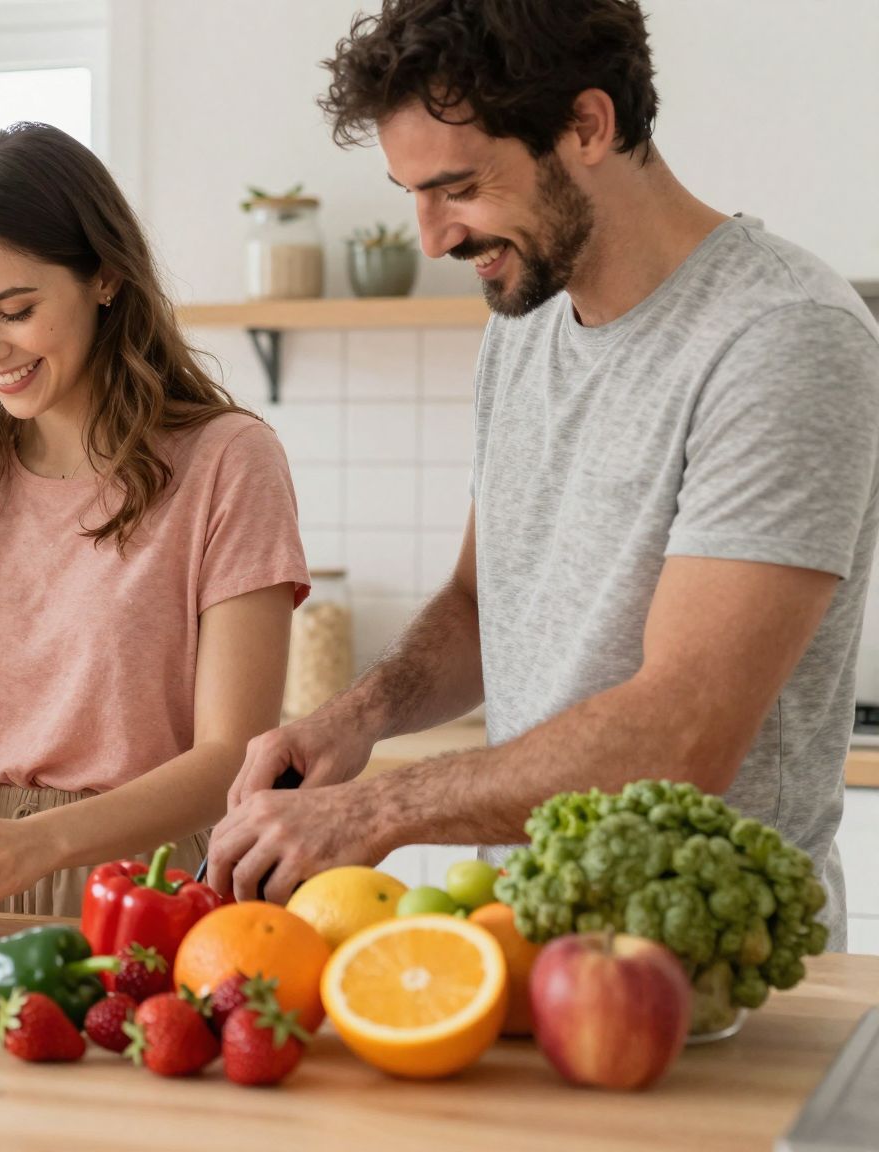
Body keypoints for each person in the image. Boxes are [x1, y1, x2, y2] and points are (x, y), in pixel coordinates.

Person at [207, 0, 879, 951]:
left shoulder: (781, 339)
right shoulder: (522, 331)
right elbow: (485, 605)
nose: (433, 235)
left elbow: (679, 735)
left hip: (721, 970)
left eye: (459, 187)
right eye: (413, 193)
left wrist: (371, 813)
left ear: (589, 125)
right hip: (546, 945)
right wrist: (354, 721)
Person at [0, 123, 309, 931]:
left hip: (155, 882)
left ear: (106, 277)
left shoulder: (229, 460)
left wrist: (42, 842)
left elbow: (232, 756)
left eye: (14, 310)